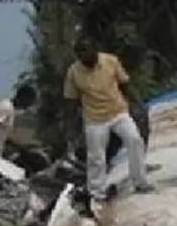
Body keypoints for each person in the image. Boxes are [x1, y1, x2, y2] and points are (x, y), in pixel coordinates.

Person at [64, 39, 154, 201]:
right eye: (80, 54)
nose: (84, 56)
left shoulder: (110, 61)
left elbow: (125, 84)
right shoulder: (73, 72)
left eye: (86, 51)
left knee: (134, 140)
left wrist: (138, 103)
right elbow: (71, 101)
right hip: (95, 119)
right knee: (96, 157)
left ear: (94, 50)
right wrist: (71, 127)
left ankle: (140, 182)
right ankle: (97, 192)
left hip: (118, 112)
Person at [0, 85, 38, 157]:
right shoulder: (6, 107)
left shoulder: (11, 110)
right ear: (24, 97)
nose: (29, 106)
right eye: (30, 102)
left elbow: (0, 134)